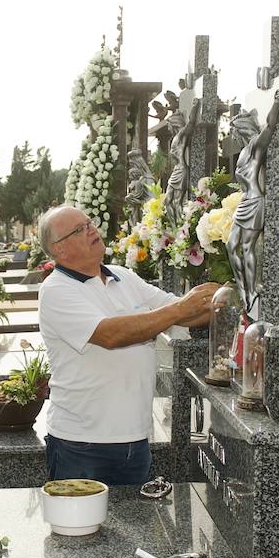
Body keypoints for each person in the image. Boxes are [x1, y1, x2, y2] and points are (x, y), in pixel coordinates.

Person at [36, 205, 218, 485]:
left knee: (136, 516)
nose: (92, 230)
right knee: (81, 515)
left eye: (89, 223)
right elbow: (111, 335)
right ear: (59, 249)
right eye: (80, 229)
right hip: (82, 444)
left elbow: (185, 314)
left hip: (135, 439)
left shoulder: (123, 276)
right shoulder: (56, 290)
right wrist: (181, 308)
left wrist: (226, 299)